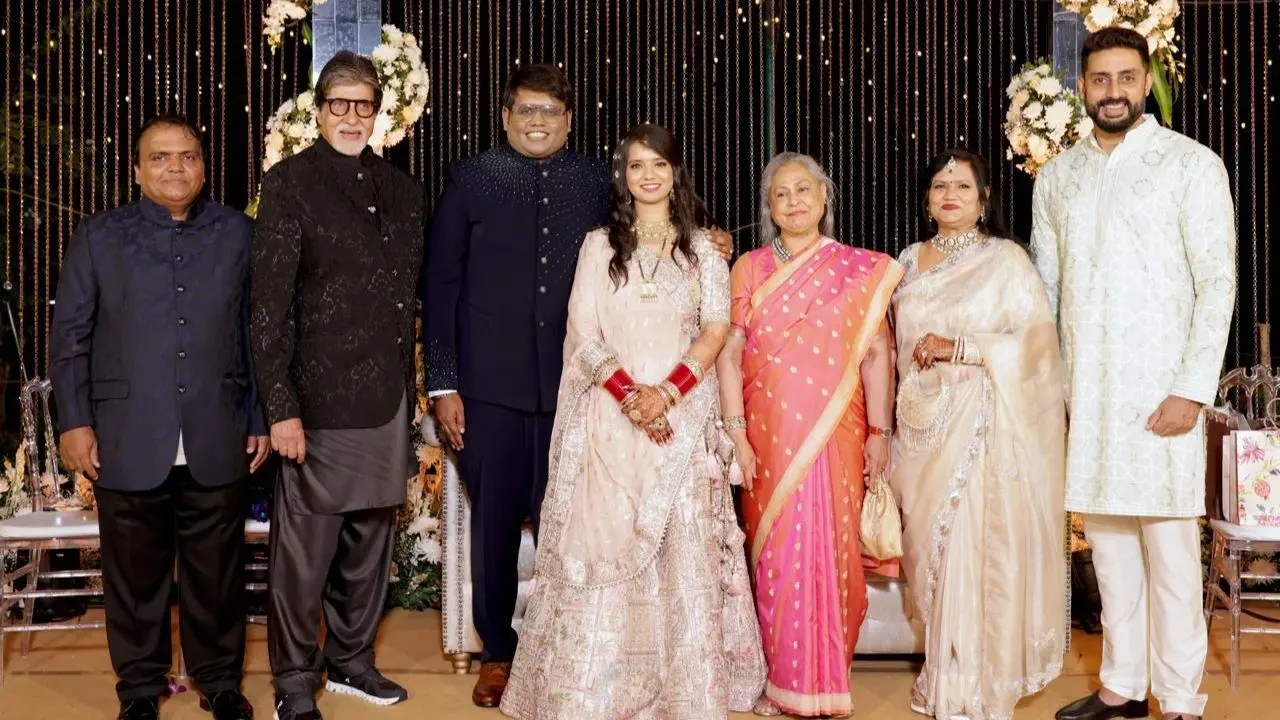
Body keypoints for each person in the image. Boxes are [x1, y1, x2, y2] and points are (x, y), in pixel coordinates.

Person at [422, 63, 732, 707]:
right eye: (526, 110)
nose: (538, 121)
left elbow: (651, 228)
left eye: (551, 112)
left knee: (573, 527)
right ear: (505, 116)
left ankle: (563, 651)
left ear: (568, 120)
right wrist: (444, 383)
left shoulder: (596, 180)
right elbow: (441, 284)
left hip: (579, 393)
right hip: (490, 386)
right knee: (497, 523)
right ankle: (499, 654)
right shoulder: (472, 178)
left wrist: (709, 241)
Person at [497, 122, 765, 719]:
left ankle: (684, 695)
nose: (648, 176)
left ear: (675, 174)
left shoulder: (702, 250)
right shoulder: (599, 246)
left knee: (682, 548)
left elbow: (716, 329)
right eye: (637, 165)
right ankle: (598, 691)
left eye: (659, 165)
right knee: (608, 539)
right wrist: (630, 398)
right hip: (610, 421)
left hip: (683, 422)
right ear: (623, 176)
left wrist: (667, 394)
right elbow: (583, 334)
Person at [1032, 28, 1237, 720]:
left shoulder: (1191, 165)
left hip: (1164, 391)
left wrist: (1191, 388)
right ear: (1082, 87)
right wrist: (1051, 393)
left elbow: (1217, 282)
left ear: (1145, 83)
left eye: (1125, 78)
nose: (1112, 91)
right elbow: (1046, 290)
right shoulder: (1058, 177)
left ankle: (1179, 698)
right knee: (1110, 545)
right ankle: (1122, 685)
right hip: (1089, 392)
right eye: (1098, 79)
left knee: (1172, 552)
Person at [50, 114, 267, 720]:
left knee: (216, 577)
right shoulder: (99, 236)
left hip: (217, 430)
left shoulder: (238, 234)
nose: (177, 167)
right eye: (161, 157)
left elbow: (259, 334)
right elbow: (70, 337)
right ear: (138, 169)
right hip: (124, 436)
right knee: (134, 579)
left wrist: (257, 414)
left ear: (204, 165)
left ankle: (219, 682)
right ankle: (140, 690)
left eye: (189, 156)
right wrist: (73, 422)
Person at [250, 51, 423, 720]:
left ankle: (351, 661)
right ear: (319, 110)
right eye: (338, 104)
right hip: (315, 402)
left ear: (378, 112)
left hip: (384, 399)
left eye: (364, 105)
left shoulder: (404, 191)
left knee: (371, 541)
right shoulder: (290, 184)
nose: (352, 116)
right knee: (305, 554)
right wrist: (281, 408)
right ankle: (295, 679)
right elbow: (269, 309)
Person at [718, 152, 901, 718]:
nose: (794, 202)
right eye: (781, 194)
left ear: (825, 198)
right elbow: (729, 353)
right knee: (776, 557)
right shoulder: (748, 268)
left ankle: (829, 683)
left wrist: (880, 431)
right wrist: (736, 434)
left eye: (804, 191)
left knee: (837, 553)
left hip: (840, 435)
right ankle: (784, 685)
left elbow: (876, 354)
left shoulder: (860, 268)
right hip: (769, 437)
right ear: (769, 208)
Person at [890, 149, 1067, 719]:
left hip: (985, 432)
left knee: (973, 550)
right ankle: (942, 676)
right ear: (926, 198)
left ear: (984, 198)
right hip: (919, 430)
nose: (950, 194)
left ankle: (971, 686)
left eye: (963, 186)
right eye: (940, 184)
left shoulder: (1007, 261)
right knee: (934, 558)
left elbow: (1039, 349)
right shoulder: (908, 263)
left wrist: (962, 349)